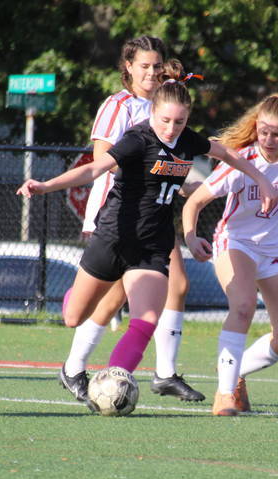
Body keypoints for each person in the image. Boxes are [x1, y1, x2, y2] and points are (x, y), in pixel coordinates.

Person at [17, 79, 278, 413]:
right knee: (73, 317)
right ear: (153, 113)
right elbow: (95, 169)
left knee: (147, 318)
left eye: (180, 122)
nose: (171, 128)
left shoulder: (187, 140)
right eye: (165, 120)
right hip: (113, 237)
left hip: (152, 245)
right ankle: (76, 300)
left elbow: (225, 152)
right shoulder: (137, 140)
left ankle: (114, 379)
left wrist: (262, 179)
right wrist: (46, 185)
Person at [58, 36, 205, 405]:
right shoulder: (119, 105)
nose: (152, 72)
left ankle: (165, 373)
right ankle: (75, 368)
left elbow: (175, 159)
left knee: (176, 285)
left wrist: (186, 181)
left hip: (157, 215)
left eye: (157, 65)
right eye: (144, 65)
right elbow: (102, 162)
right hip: (120, 215)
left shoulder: (169, 108)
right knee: (106, 302)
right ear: (128, 67)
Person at [181, 94, 278, 416]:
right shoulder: (241, 161)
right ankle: (225, 394)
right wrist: (191, 237)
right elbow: (194, 202)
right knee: (242, 306)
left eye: (277, 134)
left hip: (277, 248)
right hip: (236, 242)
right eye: (263, 131)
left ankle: (235, 372)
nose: (268, 139)